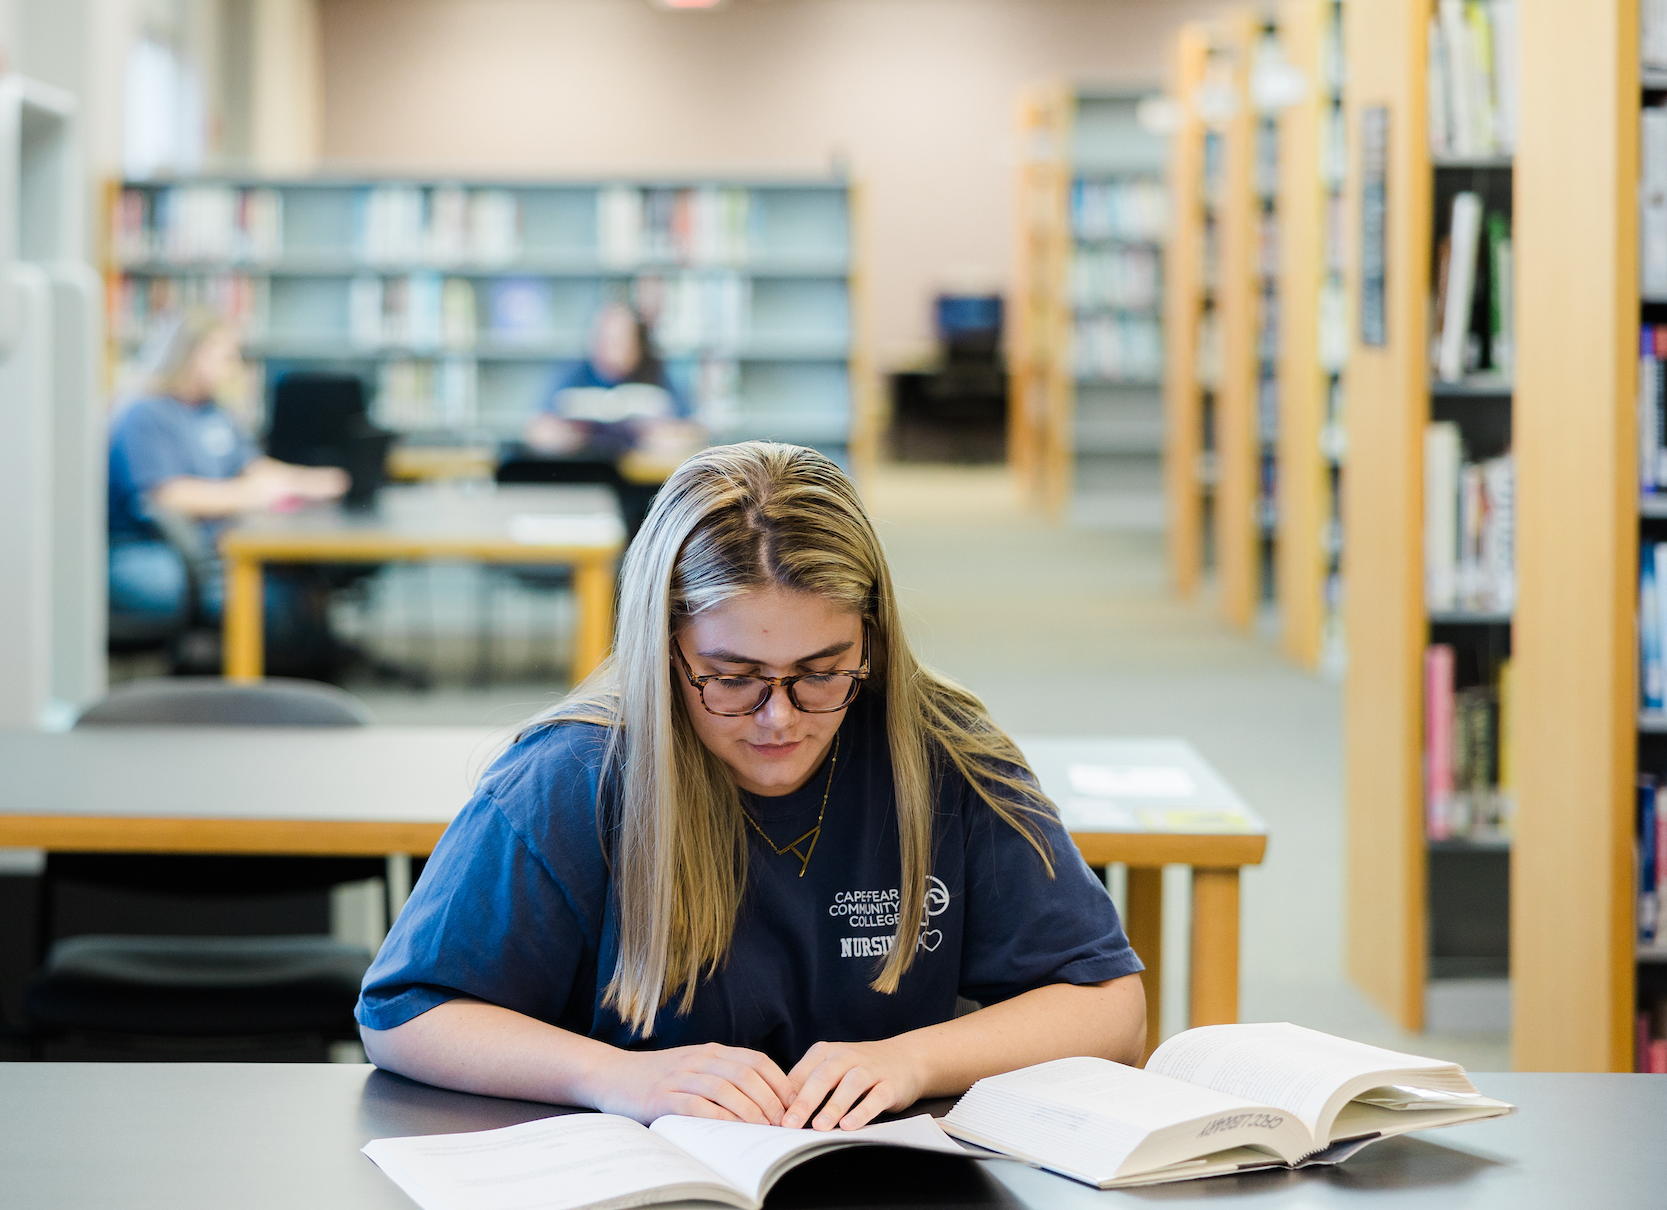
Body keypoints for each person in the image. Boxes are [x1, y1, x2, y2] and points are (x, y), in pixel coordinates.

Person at [356, 441, 1145, 1130]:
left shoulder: (944, 754)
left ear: (871, 638)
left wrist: (913, 1060)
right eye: (732, 679)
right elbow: (405, 1013)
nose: (779, 719)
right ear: (665, 651)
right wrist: (613, 1076)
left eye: (822, 673)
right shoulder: (572, 778)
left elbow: (1109, 1004)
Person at [107, 311, 350, 673]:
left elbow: (253, 468)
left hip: (209, 550)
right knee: (267, 600)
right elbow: (168, 496)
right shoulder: (144, 415)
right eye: (225, 355)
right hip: (148, 555)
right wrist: (253, 495)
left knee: (296, 587)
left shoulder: (213, 411)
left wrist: (313, 482)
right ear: (192, 354)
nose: (233, 367)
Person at [525, 301, 700, 460]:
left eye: (620, 341)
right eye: (603, 340)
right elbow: (536, 430)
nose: (610, 349)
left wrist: (658, 437)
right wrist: (566, 436)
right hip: (587, 473)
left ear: (638, 344)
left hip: (642, 477)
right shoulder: (573, 372)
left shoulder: (656, 372)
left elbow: (692, 432)